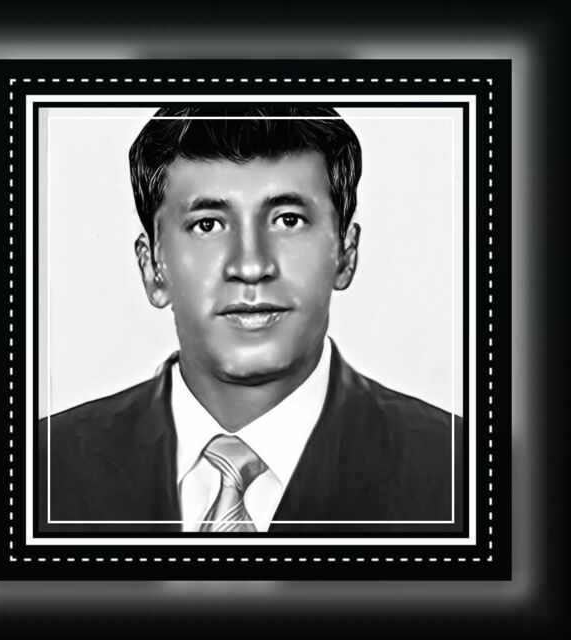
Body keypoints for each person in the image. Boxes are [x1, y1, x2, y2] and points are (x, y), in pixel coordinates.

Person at [39, 106, 462, 534]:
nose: (251, 265)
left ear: (345, 254)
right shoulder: (42, 469)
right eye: (208, 225)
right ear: (152, 268)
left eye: (288, 220)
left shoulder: (458, 472)